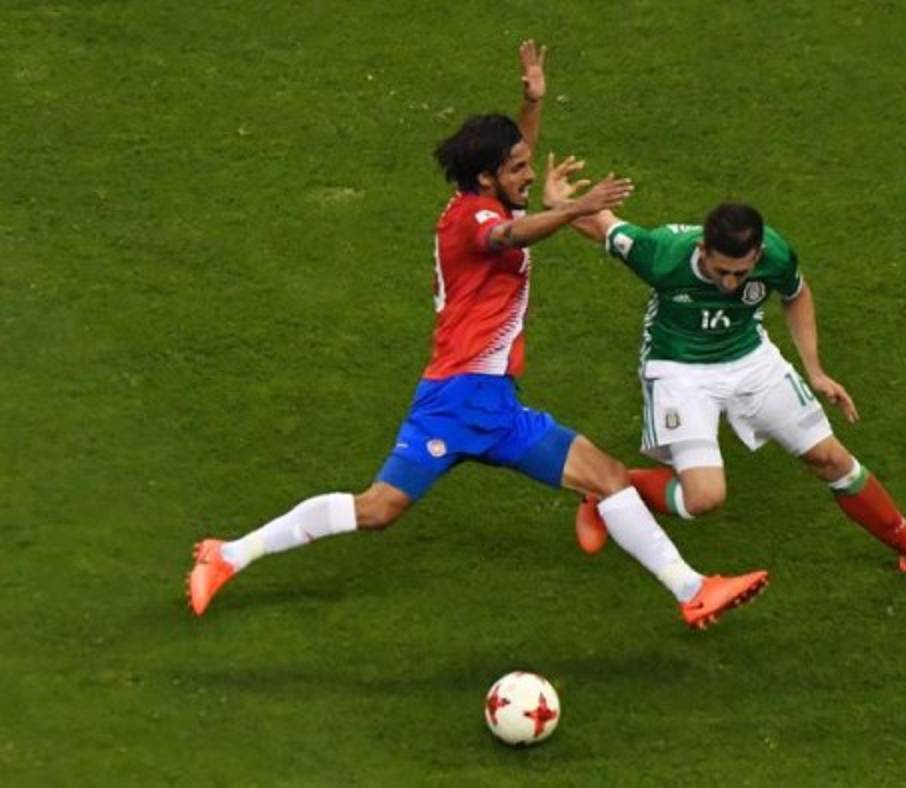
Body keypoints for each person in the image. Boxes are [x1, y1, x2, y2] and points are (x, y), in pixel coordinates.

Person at [187, 40, 768, 629]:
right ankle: (228, 554)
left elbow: (514, 179)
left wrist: (531, 103)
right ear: (487, 178)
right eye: (517, 168)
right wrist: (577, 209)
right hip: (460, 399)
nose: (529, 173)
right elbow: (508, 237)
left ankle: (693, 589)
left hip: (491, 403)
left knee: (608, 478)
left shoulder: (488, 196)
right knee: (378, 508)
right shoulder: (474, 220)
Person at [542, 171, 906, 587]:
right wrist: (560, 204)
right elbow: (601, 224)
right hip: (680, 368)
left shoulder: (775, 254)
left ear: (757, 255)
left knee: (831, 458)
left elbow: (796, 294)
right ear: (703, 249)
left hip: (750, 359)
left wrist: (815, 370)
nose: (731, 283)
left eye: (742, 272)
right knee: (704, 499)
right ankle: (607, 487)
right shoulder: (662, 252)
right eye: (721, 271)